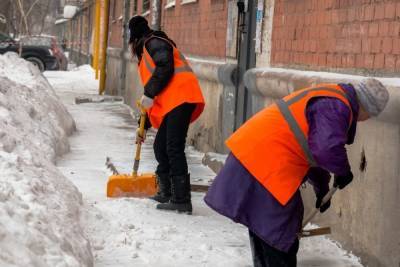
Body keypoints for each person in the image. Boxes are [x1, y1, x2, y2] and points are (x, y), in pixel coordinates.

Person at [204, 79, 389, 266]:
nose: (366, 120)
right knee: (280, 232)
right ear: (366, 109)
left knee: (266, 229)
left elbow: (309, 150)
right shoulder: (337, 106)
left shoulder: (332, 96)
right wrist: (343, 171)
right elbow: (325, 149)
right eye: (370, 116)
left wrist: (322, 189)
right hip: (266, 163)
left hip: (254, 155)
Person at [128, 16, 205, 214]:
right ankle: (167, 191)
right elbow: (153, 93)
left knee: (173, 147)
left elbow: (165, 67)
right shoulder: (148, 50)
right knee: (160, 146)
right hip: (175, 100)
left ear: (134, 37)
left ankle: (181, 199)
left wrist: (149, 93)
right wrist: (142, 126)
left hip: (182, 97)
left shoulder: (154, 43)